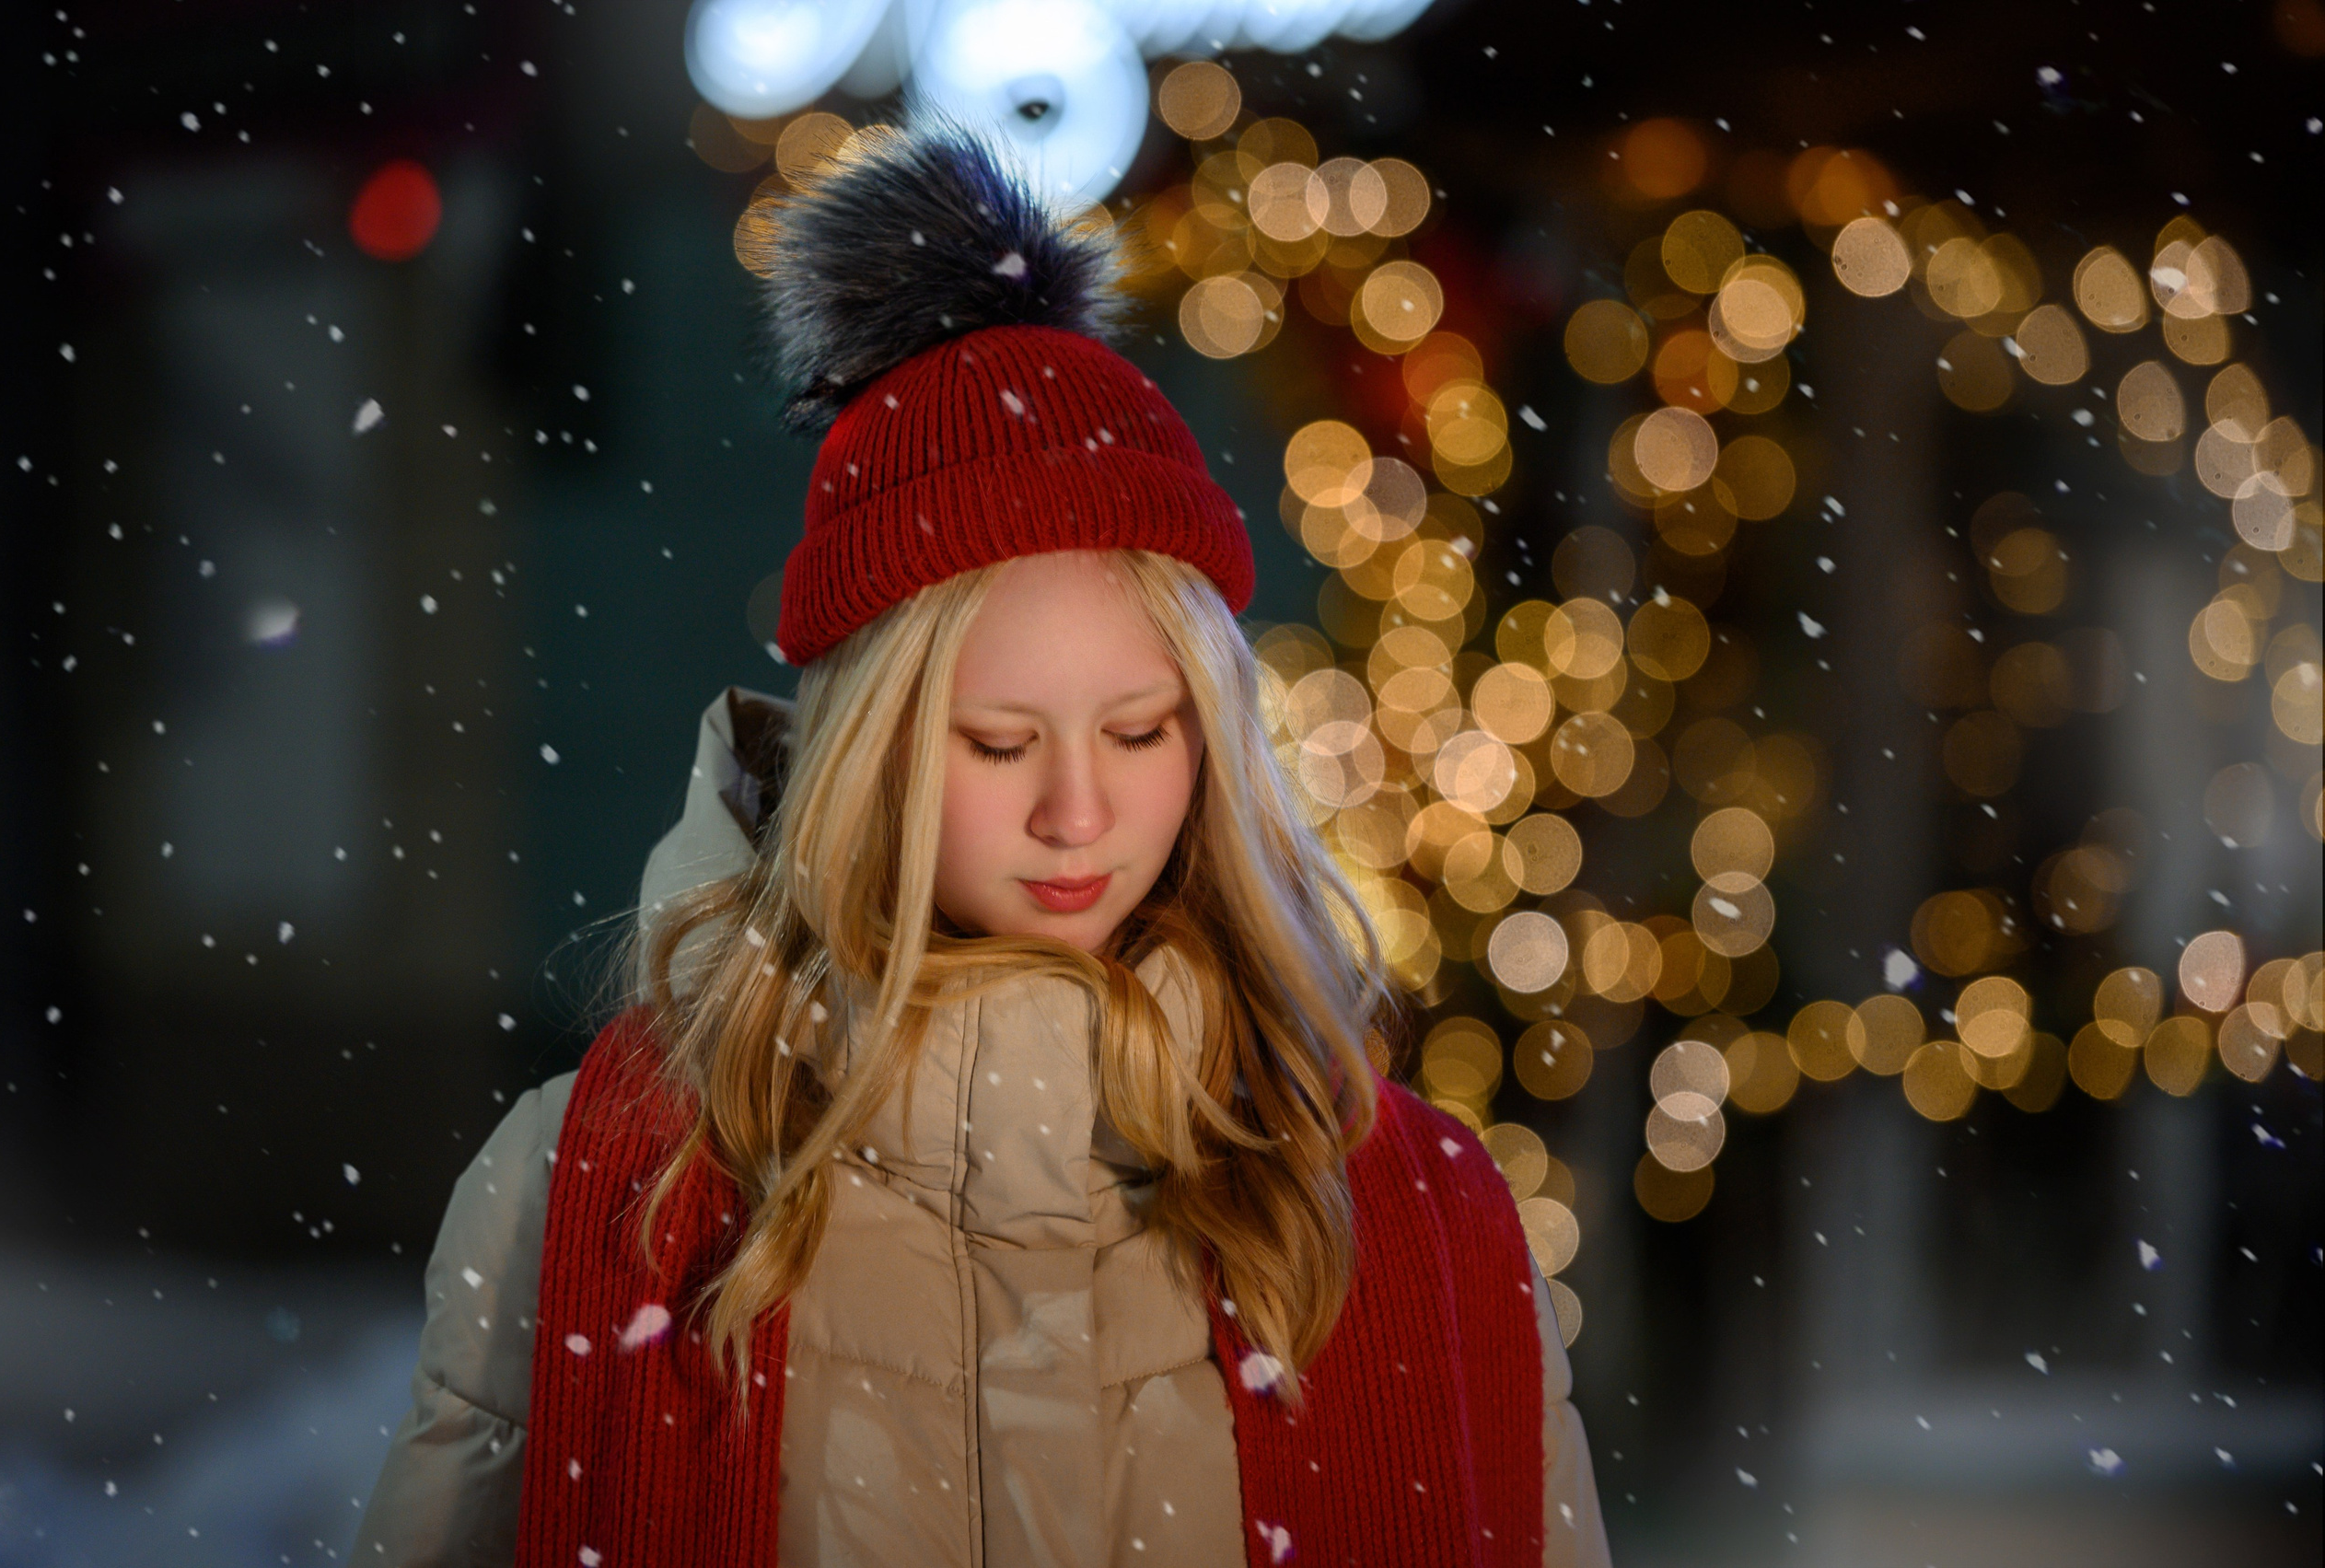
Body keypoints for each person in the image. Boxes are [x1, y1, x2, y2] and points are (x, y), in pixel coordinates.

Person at [355, 121, 1609, 1567]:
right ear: (871, 751)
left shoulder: (1422, 1218)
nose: (1077, 814)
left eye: (1141, 734)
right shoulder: (592, 1190)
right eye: (999, 744)